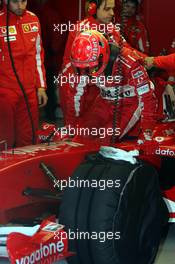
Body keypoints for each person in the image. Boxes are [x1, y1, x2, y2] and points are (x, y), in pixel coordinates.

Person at [60, 0, 147, 126]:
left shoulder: (111, 28)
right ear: (93, 9)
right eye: (107, 9)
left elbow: (127, 50)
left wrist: (150, 61)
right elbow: (70, 70)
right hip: (78, 91)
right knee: (78, 133)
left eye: (113, 9)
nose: (112, 13)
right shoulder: (81, 31)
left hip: (101, 93)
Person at [68, 30, 157, 141]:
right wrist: (71, 127)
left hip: (130, 103)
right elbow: (75, 94)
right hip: (104, 101)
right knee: (82, 136)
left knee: (106, 139)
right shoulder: (82, 64)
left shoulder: (130, 62)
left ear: (103, 56)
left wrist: (147, 130)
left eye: (92, 67)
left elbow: (147, 96)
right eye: (81, 68)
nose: (87, 71)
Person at [0, 0, 48, 149]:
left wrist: (41, 87)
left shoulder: (33, 19)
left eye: (23, 1)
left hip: (29, 92)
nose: (21, 6)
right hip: (5, 92)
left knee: (28, 140)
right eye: (15, 2)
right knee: (5, 139)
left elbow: (38, 56)